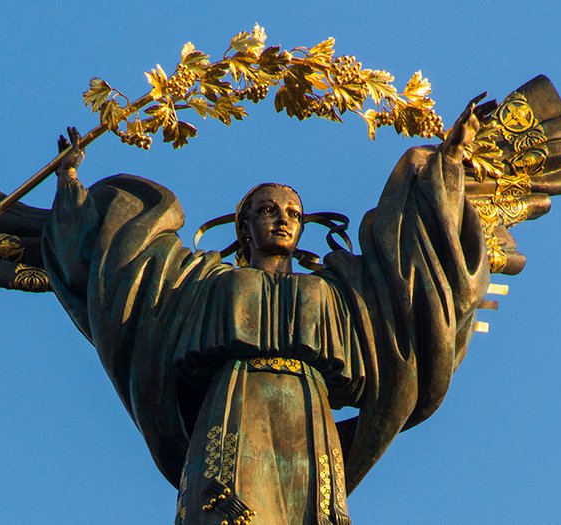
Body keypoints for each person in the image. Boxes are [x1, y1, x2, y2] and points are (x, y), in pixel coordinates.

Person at [41, 103, 489, 524]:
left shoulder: (337, 288)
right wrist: (71, 190)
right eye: (267, 210)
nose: (283, 219)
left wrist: (447, 164)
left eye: (293, 212)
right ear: (245, 226)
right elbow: (122, 267)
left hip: (307, 414)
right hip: (234, 405)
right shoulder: (202, 281)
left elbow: (412, 271)